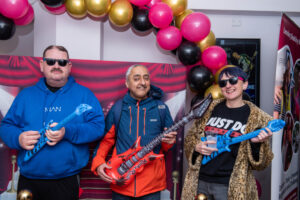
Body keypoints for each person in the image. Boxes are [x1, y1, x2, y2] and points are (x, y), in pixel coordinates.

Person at [0, 45, 105, 200]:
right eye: (50, 61)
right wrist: (18, 138)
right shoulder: (25, 96)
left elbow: (98, 127)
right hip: (29, 180)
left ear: (69, 66)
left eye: (62, 62)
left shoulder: (84, 95)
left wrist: (67, 132)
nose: (56, 66)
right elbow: (6, 127)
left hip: (66, 180)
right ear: (42, 65)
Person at [182, 66, 274, 200]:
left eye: (233, 80)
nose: (228, 85)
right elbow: (190, 138)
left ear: (245, 84)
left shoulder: (259, 118)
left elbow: (262, 163)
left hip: (231, 186)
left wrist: (256, 145)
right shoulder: (208, 108)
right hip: (199, 181)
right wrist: (196, 147)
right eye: (223, 83)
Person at [91, 64, 177, 200]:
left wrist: (170, 142)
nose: (142, 82)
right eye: (136, 78)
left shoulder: (161, 108)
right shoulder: (118, 108)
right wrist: (98, 162)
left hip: (151, 187)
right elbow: (106, 141)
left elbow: (166, 146)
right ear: (127, 83)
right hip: (121, 182)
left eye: (146, 78)